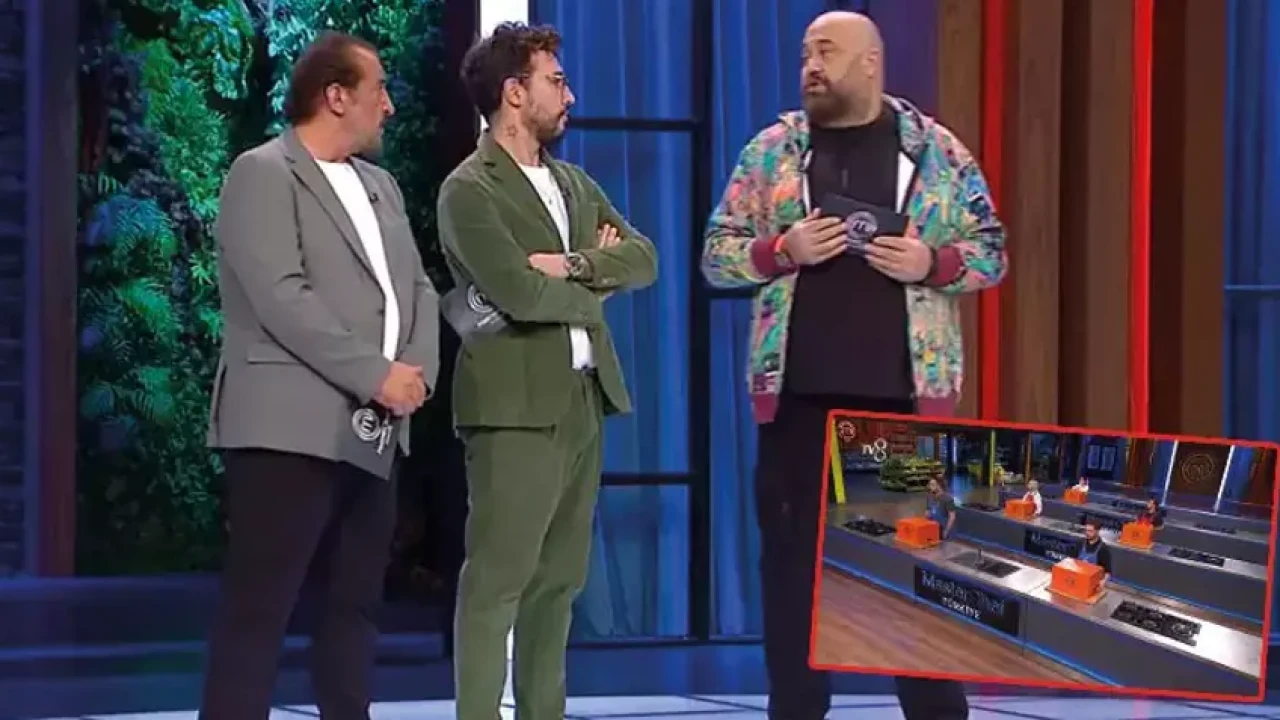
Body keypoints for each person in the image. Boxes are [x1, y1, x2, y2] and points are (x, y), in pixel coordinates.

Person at [701, 11, 1006, 720]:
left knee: (915, 583)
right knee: (791, 583)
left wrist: (933, 262)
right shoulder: (772, 152)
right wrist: (781, 250)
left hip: (901, 406)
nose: (811, 66)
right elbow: (717, 254)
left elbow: (991, 250)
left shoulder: (935, 152)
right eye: (805, 53)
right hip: (798, 408)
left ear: (871, 61)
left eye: (827, 52)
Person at [200, 32, 439, 720]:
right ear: (335, 96)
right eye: (378, 90)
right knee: (260, 613)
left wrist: (415, 375)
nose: (389, 106)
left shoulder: (382, 187)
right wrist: (375, 374)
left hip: (374, 432)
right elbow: (282, 296)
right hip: (286, 430)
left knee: (354, 607)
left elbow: (417, 288)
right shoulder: (262, 173)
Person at [439, 22, 658, 720]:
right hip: (513, 408)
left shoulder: (573, 182)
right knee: (497, 582)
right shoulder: (469, 190)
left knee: (559, 583)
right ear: (514, 93)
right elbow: (517, 293)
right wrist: (596, 287)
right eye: (555, 81)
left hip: (582, 400)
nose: (570, 95)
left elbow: (643, 259)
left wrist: (572, 265)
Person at [1078, 519, 1113, 587]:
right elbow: (1072, 561)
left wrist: (1103, 582)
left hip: (1093, 583)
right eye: (1086, 530)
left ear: (1097, 531)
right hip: (1079, 578)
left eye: (1090, 531)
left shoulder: (1103, 549)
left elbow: (1108, 572)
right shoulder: (1080, 543)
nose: (1087, 533)